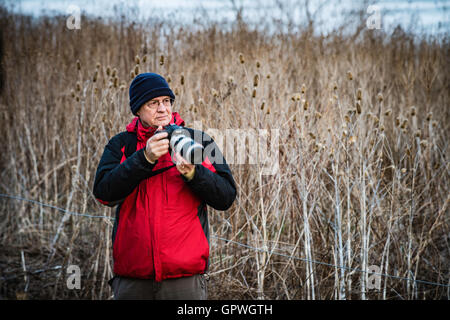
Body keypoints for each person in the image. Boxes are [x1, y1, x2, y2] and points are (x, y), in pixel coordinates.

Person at [93, 73, 236, 300]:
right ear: (138, 109)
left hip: (185, 280)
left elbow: (226, 196)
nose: (163, 109)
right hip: (133, 280)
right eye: (153, 103)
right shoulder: (122, 144)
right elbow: (103, 194)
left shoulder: (199, 140)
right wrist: (144, 158)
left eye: (166, 101)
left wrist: (193, 172)